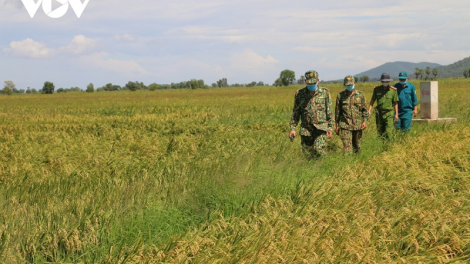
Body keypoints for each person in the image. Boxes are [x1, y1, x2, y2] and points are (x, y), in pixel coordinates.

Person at [289, 70, 334, 158]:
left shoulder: (325, 93)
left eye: (313, 83)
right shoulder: (299, 94)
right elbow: (296, 113)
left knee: (318, 150)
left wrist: (330, 128)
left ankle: (323, 167)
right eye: (309, 83)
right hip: (306, 130)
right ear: (305, 81)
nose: (311, 85)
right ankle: (312, 170)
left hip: (321, 128)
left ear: (318, 81)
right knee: (307, 154)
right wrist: (292, 128)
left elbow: (329, 112)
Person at [335, 75, 369, 153]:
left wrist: (364, 121)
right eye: (348, 85)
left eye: (351, 84)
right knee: (347, 149)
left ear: (355, 83)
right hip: (345, 125)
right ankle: (347, 163)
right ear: (345, 85)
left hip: (358, 125)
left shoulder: (360, 95)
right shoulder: (340, 96)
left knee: (357, 147)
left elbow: (365, 110)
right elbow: (337, 111)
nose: (349, 86)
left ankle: (357, 163)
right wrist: (336, 125)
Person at [368, 73, 399, 140]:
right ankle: (381, 146)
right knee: (380, 132)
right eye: (383, 81)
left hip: (389, 114)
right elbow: (372, 101)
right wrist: (369, 111)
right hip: (379, 114)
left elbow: (395, 103)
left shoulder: (393, 91)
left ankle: (389, 146)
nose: (385, 82)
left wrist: (396, 114)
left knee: (389, 131)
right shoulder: (376, 90)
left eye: (386, 81)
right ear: (381, 81)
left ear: (389, 81)